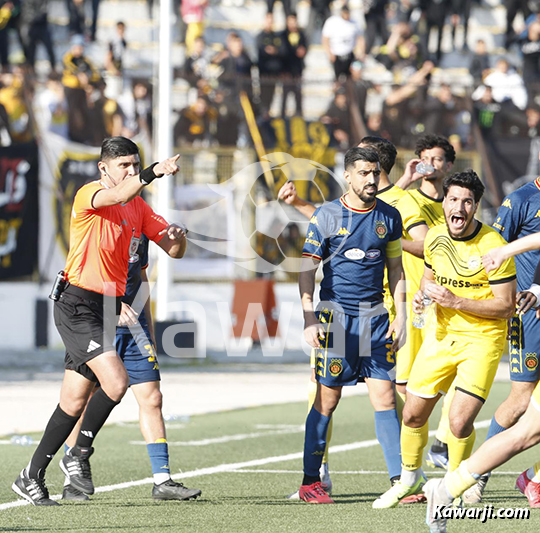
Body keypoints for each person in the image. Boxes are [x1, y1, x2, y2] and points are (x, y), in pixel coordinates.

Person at [11, 136, 196, 506]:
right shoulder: (90, 194)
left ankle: (30, 475)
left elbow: (172, 250)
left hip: (104, 306)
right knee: (116, 382)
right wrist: (153, 171)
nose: (130, 171)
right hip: (76, 303)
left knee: (73, 401)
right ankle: (78, 454)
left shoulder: (138, 207)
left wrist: (178, 237)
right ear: (103, 168)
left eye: (134, 164)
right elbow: (118, 195)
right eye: (124, 165)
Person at [373, 169, 517, 509]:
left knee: (458, 421)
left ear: (476, 206)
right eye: (453, 199)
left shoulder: (493, 245)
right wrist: (422, 297)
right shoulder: (435, 237)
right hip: (441, 336)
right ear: (445, 203)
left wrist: (457, 302)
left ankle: (454, 482)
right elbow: (428, 279)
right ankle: (408, 480)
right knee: (412, 415)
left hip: (482, 340)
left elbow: (506, 306)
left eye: (467, 201)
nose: (459, 207)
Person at [296, 146, 406, 503]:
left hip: (376, 319)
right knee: (327, 400)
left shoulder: (389, 216)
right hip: (336, 320)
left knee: (385, 397)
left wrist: (401, 315)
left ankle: (400, 482)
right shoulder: (326, 215)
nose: (371, 179)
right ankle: (310, 482)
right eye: (363, 173)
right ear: (347, 175)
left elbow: (396, 269)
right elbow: (306, 270)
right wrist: (309, 317)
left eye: (375, 173)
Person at [62, 234, 201, 502]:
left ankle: (162, 481)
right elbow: (83, 278)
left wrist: (149, 329)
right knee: (84, 399)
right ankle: (72, 480)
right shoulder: (97, 225)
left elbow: (142, 276)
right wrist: (111, 308)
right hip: (97, 324)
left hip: (135, 329)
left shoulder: (140, 227)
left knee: (153, 397)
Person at [461, 167, 540, 503]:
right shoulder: (522, 199)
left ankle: (533, 478)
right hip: (529, 313)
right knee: (521, 400)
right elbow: (493, 248)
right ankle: (476, 474)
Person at [393, 134, 456, 473]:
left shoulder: (457, 204)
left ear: (449, 165)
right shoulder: (405, 199)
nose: (430, 164)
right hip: (413, 302)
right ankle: (413, 455)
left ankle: (442, 442)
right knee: (405, 383)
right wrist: (405, 177)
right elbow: (377, 207)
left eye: (437, 159)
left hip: (449, 302)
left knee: (457, 375)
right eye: (424, 158)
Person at [321, 4, 364, 80]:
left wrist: (360, 51)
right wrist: (329, 53)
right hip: (336, 55)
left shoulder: (354, 23)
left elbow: (360, 38)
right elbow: (325, 39)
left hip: (349, 55)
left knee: (351, 79)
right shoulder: (332, 22)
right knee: (337, 78)